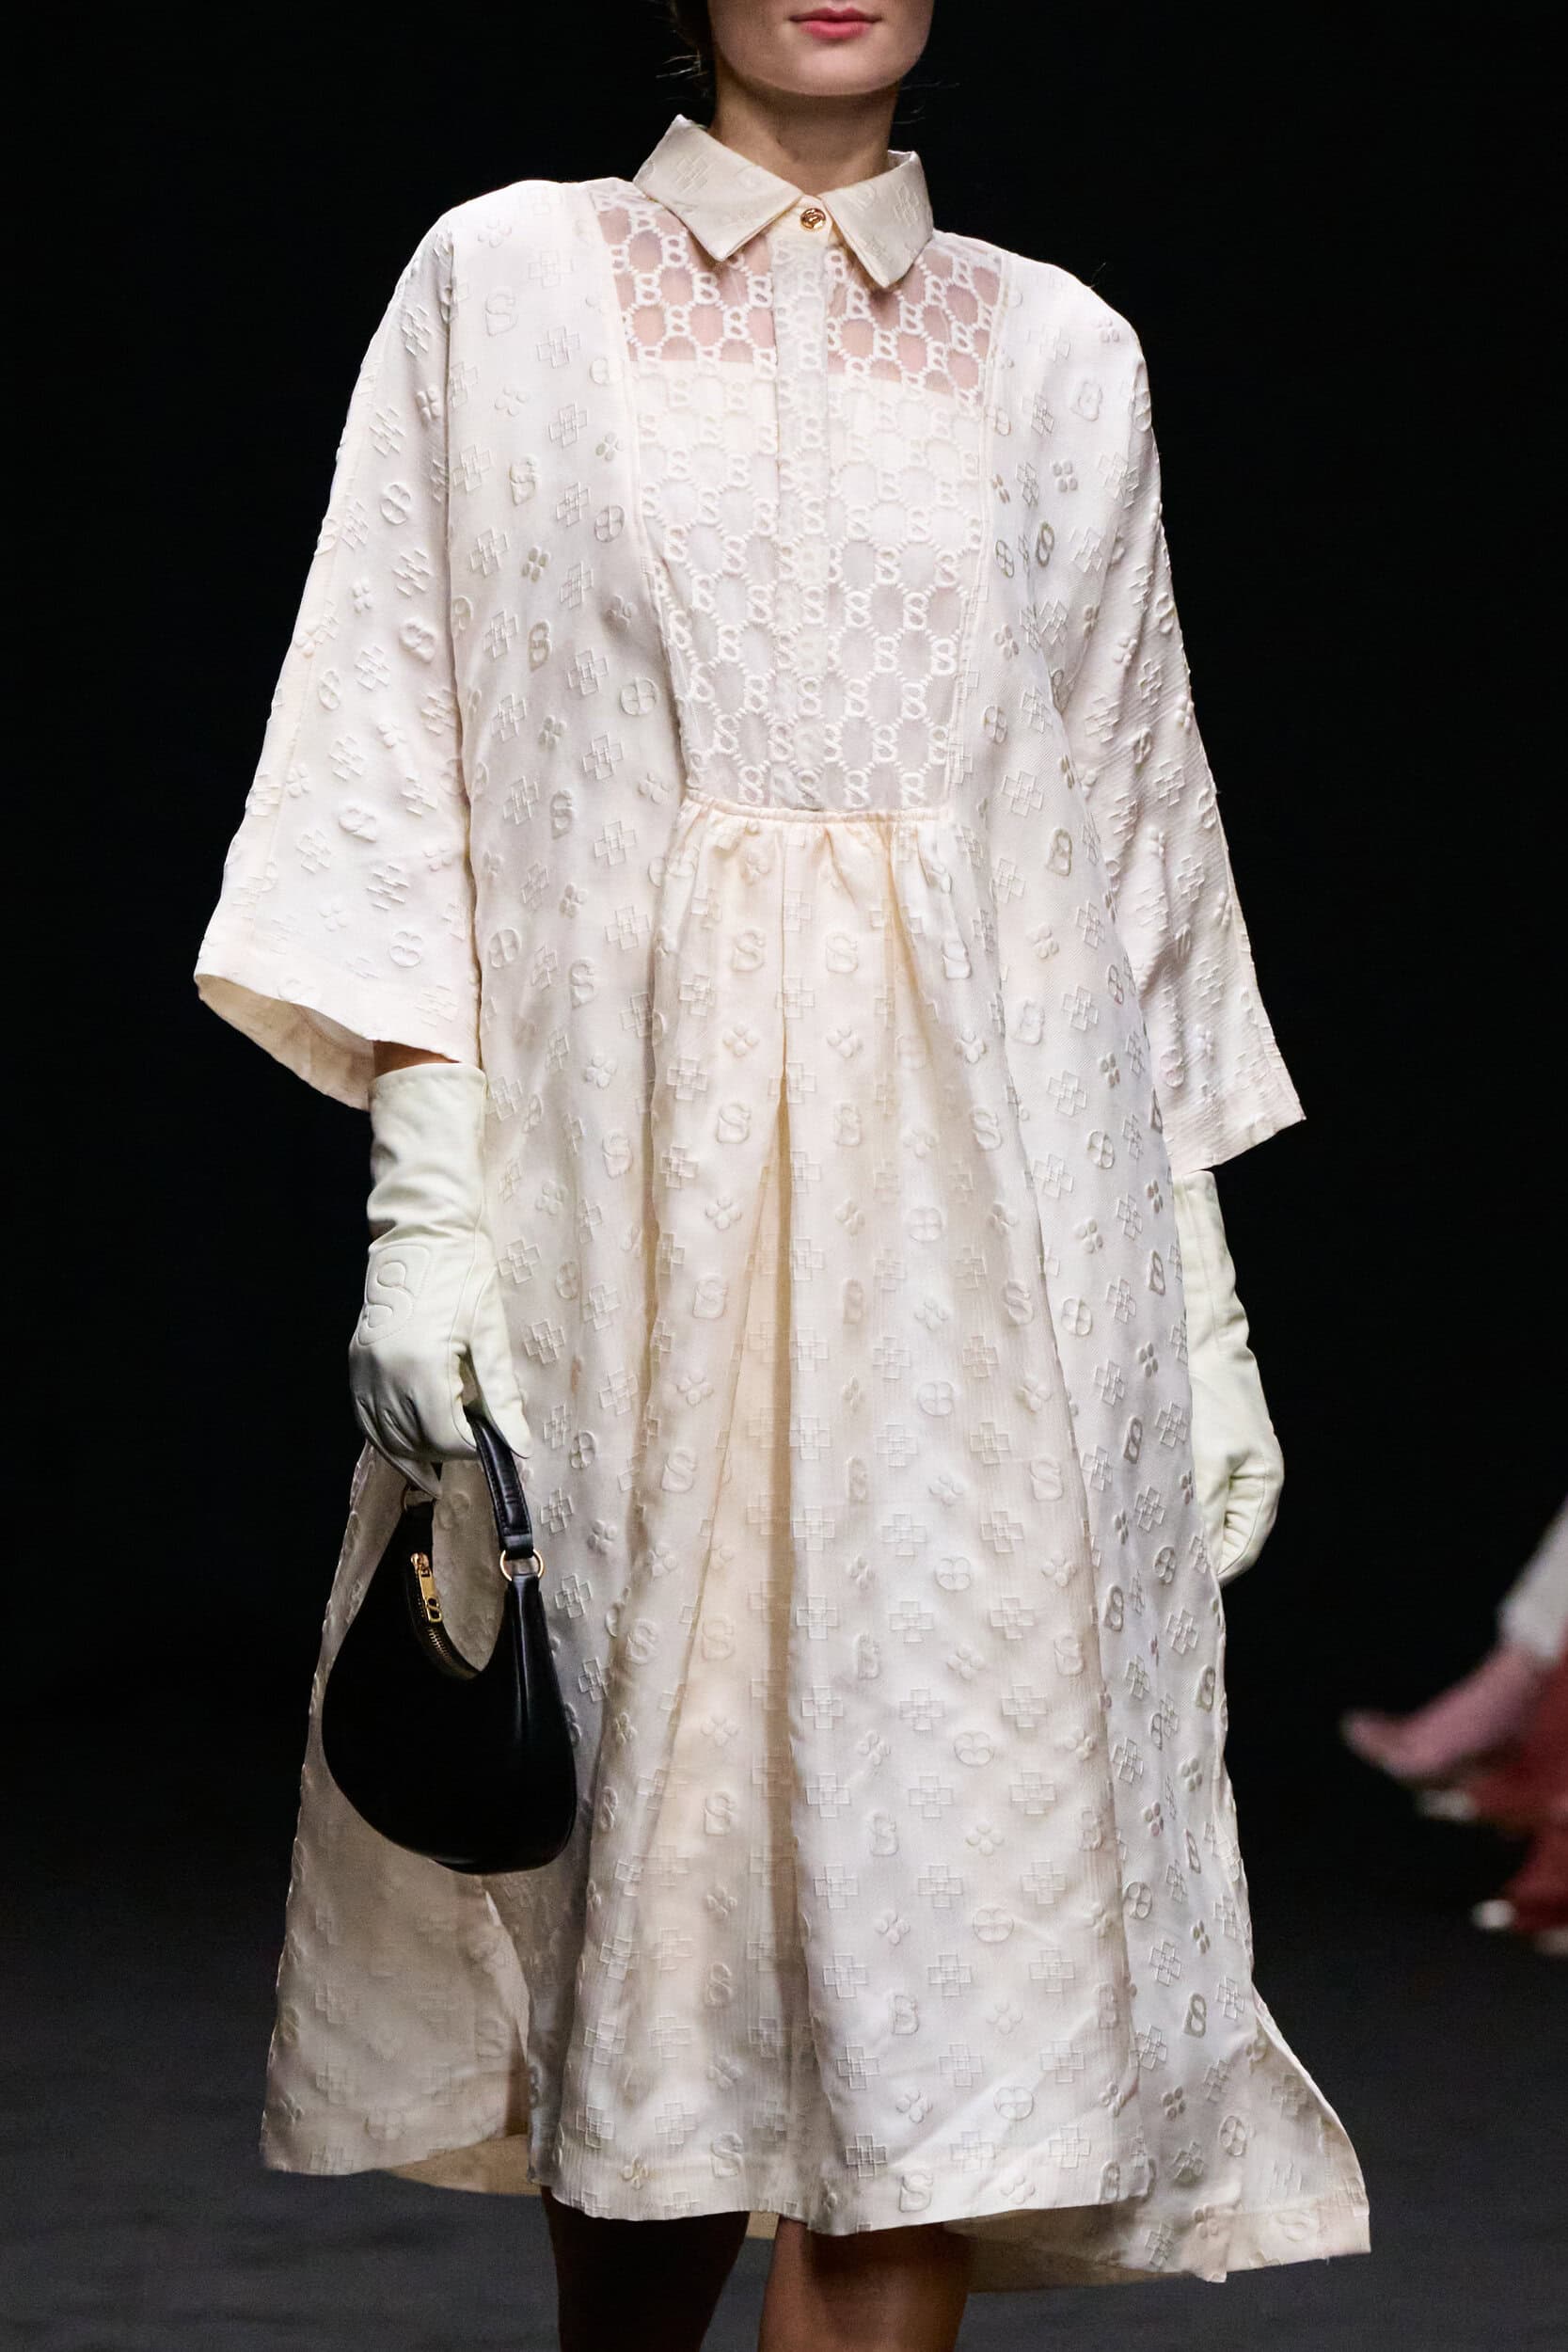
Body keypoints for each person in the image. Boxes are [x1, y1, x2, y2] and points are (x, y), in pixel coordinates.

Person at [194, 4, 1370, 2344]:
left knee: (932, 1980)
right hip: (632, 1238)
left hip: (993, 1279)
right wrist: (430, 1212)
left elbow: (1127, 855)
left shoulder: (1058, 353)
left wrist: (1206, 1309)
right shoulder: (510, 284)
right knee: (660, 1932)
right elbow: (408, 750)